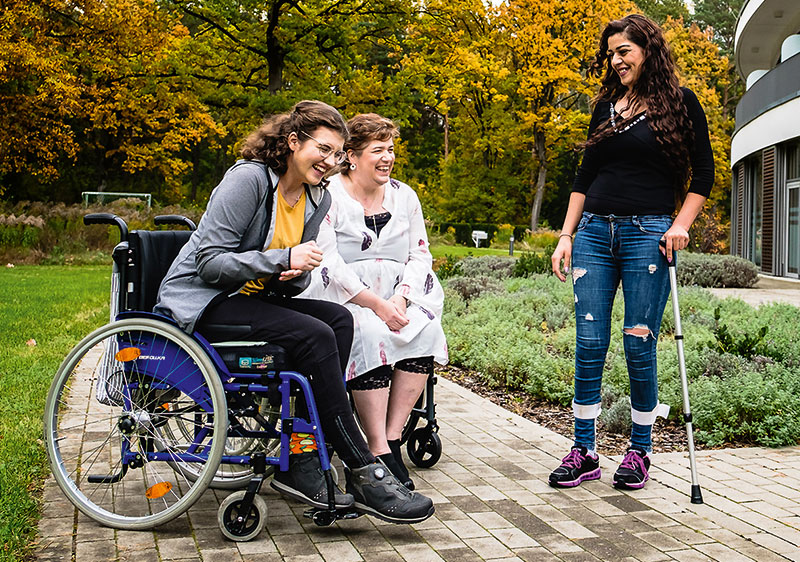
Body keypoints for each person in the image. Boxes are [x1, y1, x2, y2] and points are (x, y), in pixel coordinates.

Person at [154, 100, 434, 524]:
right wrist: (281, 259)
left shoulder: (315, 197)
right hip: (203, 299)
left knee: (337, 320)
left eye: (337, 153)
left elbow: (291, 272)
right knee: (315, 335)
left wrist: (293, 273)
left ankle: (300, 457)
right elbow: (210, 262)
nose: (329, 161)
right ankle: (361, 467)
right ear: (292, 142)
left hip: (251, 297)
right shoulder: (247, 180)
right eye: (322, 148)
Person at [548, 14, 714, 490]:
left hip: (650, 234)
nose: (615, 60)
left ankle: (640, 451)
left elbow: (703, 173)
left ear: (647, 50)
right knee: (589, 343)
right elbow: (584, 177)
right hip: (595, 233)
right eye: (611, 53)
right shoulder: (605, 106)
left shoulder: (680, 103)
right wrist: (565, 235)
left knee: (638, 343)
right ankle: (584, 449)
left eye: (624, 51)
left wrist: (680, 225)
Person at [301, 113, 448, 490]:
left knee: (423, 328)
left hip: (399, 291)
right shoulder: (327, 194)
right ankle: (376, 446)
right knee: (367, 331)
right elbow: (328, 258)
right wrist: (374, 304)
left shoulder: (405, 195)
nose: (388, 158)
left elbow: (420, 254)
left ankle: (393, 436)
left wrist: (401, 296)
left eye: (391, 149)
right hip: (344, 292)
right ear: (351, 155)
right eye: (378, 150)